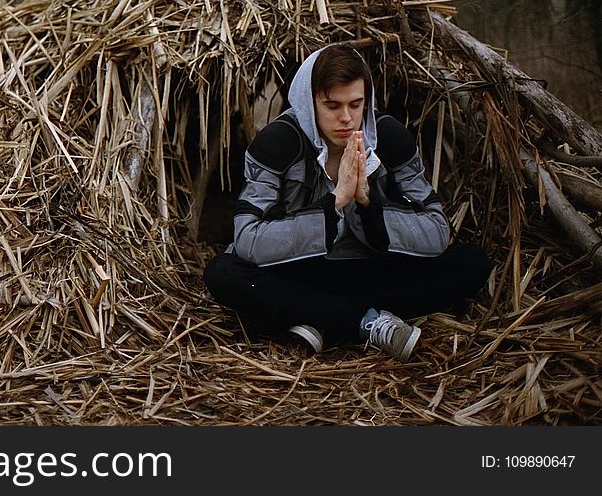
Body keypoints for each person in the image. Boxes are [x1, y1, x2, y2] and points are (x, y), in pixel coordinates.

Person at [203, 44, 492, 361]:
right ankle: (366, 322)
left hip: (371, 267)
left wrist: (367, 204)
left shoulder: (389, 138)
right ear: (309, 102)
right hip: (300, 269)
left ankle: (316, 314)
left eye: (356, 104)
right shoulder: (278, 142)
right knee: (223, 273)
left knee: (470, 262)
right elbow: (246, 239)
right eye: (332, 106)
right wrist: (335, 202)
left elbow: (437, 231)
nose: (346, 118)